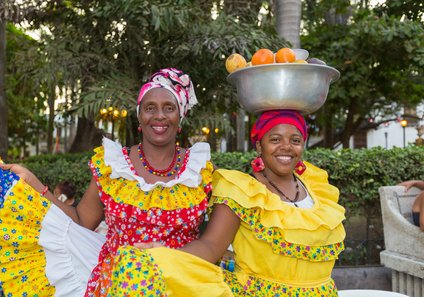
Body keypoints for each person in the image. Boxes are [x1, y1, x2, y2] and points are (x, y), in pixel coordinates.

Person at [0, 68, 232, 296]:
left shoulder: (201, 172)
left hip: (180, 280)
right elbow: (82, 220)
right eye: (150, 108)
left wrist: (166, 256)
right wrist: (35, 184)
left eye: (169, 108)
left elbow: (211, 244)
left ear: (181, 117)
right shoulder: (114, 166)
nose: (159, 116)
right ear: (139, 117)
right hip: (117, 282)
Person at [134, 110, 346, 296]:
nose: (286, 147)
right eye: (275, 139)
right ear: (259, 145)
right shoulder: (242, 191)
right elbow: (210, 246)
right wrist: (163, 255)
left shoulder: (318, 187)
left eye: (295, 140)